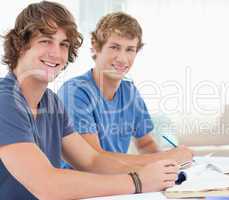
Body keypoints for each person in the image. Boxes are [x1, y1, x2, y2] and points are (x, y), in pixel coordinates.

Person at [0, 1, 179, 199]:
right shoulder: (5, 101)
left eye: (63, 44)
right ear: (20, 45)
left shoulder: (51, 103)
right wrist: (137, 181)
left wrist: (159, 168)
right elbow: (47, 185)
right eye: (45, 41)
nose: (56, 53)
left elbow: (92, 160)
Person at [58, 12, 193, 168]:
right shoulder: (75, 92)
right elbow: (94, 160)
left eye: (130, 49)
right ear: (95, 47)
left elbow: (145, 144)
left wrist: (169, 164)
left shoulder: (130, 92)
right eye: (115, 47)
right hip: (83, 185)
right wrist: (169, 157)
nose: (122, 58)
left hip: (116, 182)